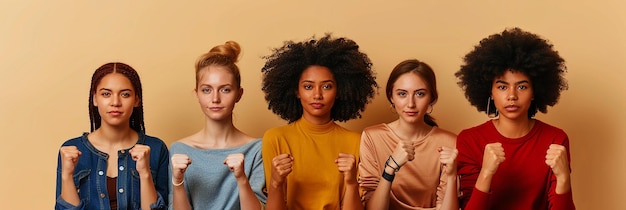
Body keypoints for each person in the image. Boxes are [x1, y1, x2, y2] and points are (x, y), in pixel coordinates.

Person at [454, 28, 575, 209]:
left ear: (535, 91)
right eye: (502, 87)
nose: (512, 96)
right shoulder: (469, 140)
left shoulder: (555, 140)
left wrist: (563, 177)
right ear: (490, 92)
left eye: (522, 87)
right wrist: (486, 172)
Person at [260, 34, 378, 210]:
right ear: (296, 91)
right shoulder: (275, 138)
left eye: (327, 86)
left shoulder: (355, 141)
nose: (317, 95)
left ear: (339, 91)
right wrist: (276, 183)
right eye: (308, 86)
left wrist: (352, 182)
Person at [55, 62, 170, 210]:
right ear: (95, 99)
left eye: (125, 94)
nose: (115, 102)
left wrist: (145, 174)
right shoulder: (71, 150)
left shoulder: (156, 149)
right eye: (106, 94)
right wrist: (67, 176)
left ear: (136, 100)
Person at [169, 41, 266, 210]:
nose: (215, 99)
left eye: (225, 89)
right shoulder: (179, 149)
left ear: (239, 94)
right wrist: (178, 183)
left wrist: (241, 178)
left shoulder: (257, 149)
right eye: (207, 90)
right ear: (197, 94)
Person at [359, 59, 459, 210]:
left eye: (420, 94)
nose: (410, 104)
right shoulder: (372, 137)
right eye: (402, 94)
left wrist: (452, 177)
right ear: (391, 97)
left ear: (431, 98)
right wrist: (390, 168)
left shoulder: (449, 141)